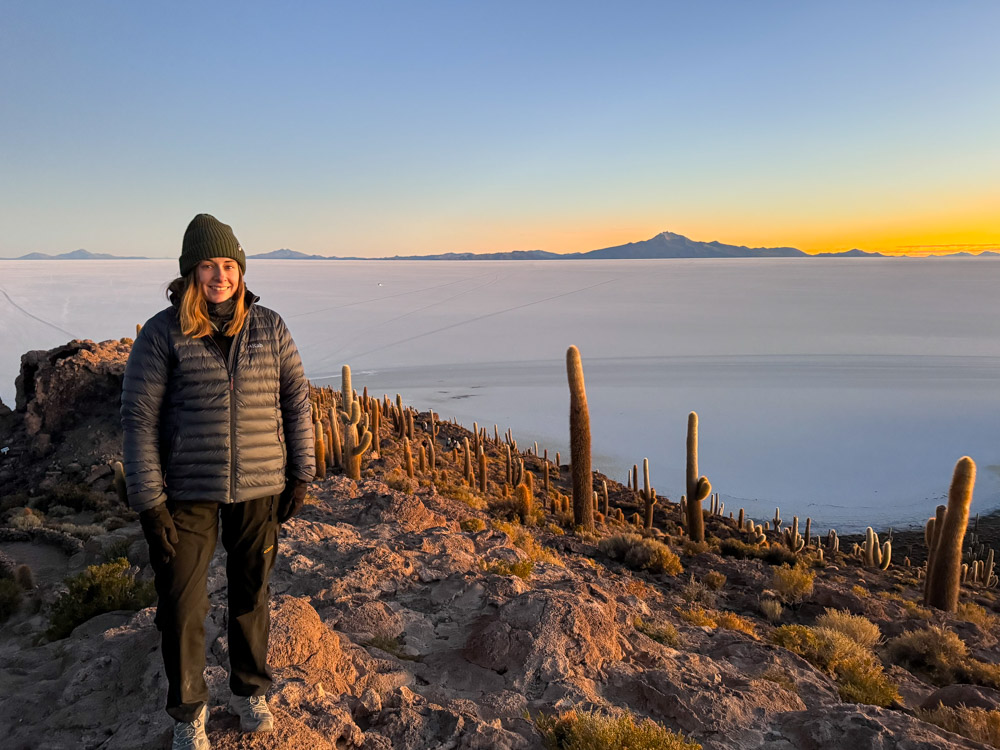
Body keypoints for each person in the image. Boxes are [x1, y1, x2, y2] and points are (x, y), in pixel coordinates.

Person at [121, 214, 315, 749]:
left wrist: (302, 472)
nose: (220, 276)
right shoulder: (163, 333)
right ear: (190, 273)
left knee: (252, 592)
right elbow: (137, 418)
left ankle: (250, 689)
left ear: (241, 271)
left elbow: (296, 400)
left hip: (259, 486)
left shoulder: (270, 326)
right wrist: (149, 502)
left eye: (228, 265)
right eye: (208, 266)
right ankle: (188, 715)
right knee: (182, 603)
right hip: (187, 492)